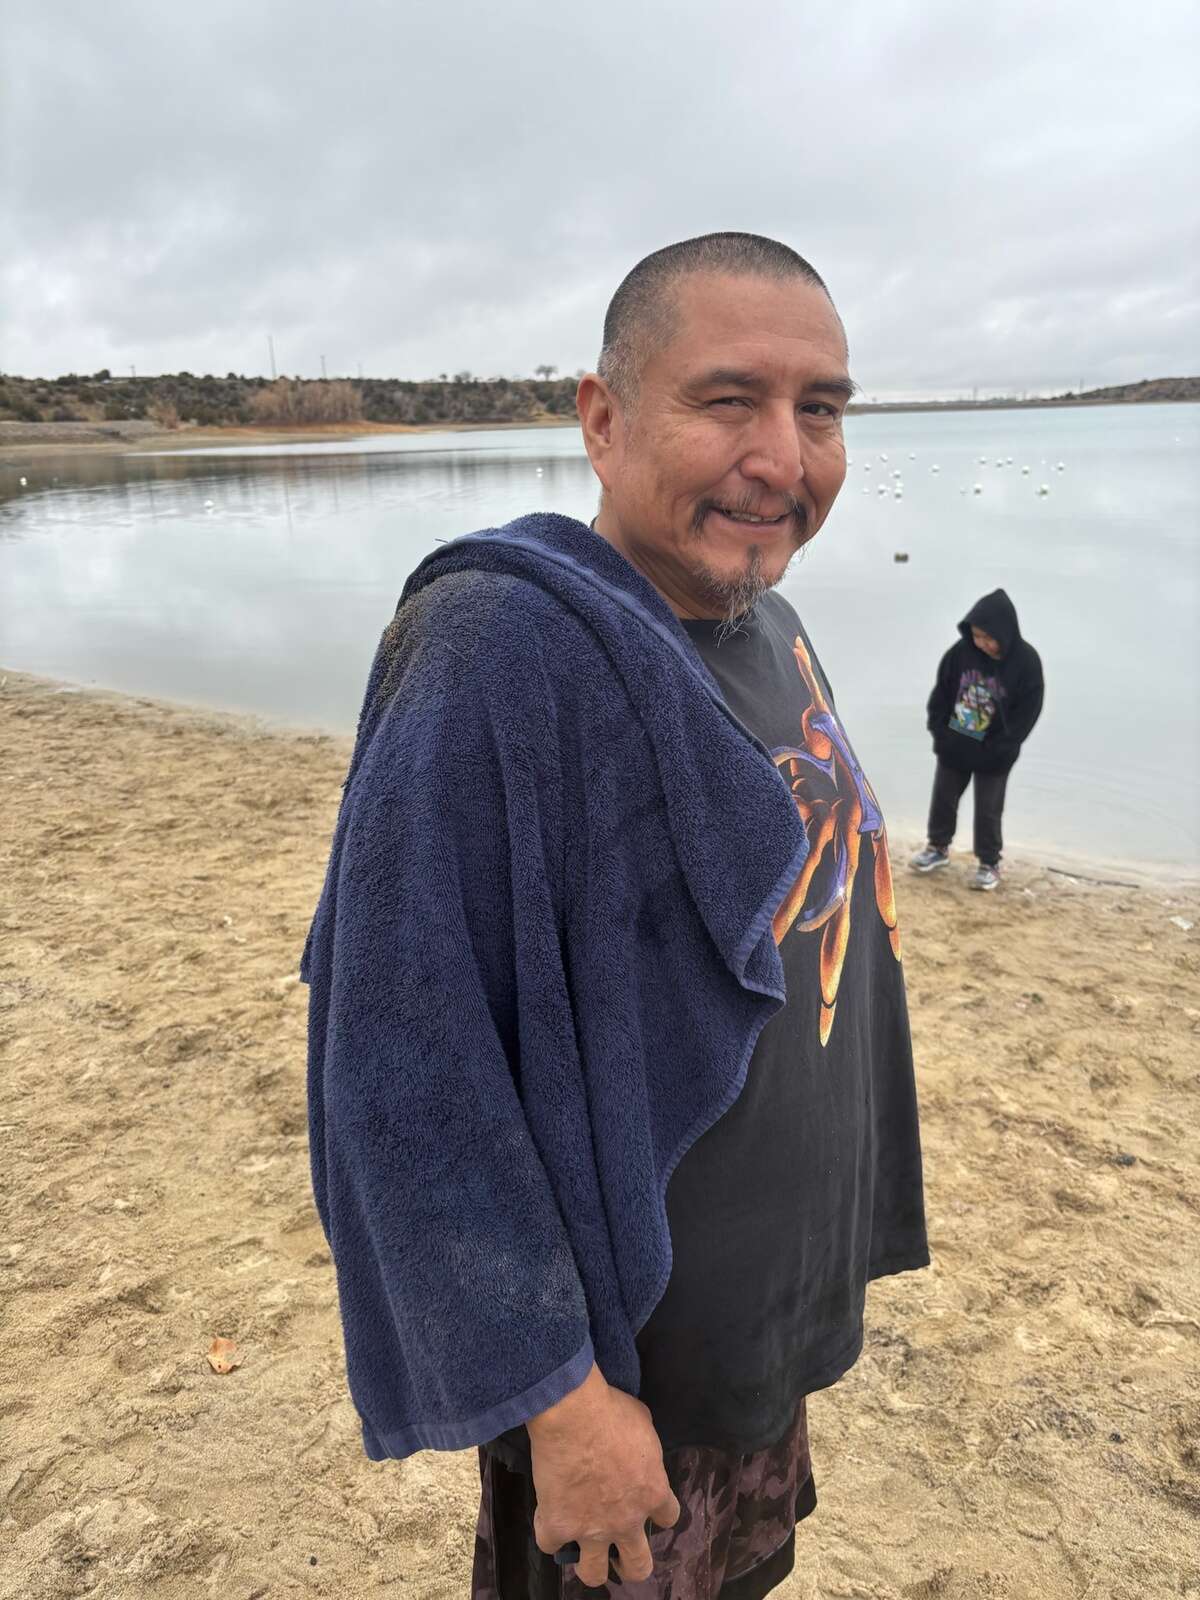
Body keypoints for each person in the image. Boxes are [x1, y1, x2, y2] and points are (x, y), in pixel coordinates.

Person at [303, 232, 928, 1600]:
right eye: (728, 400)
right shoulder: (501, 648)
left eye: (821, 408)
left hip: (753, 1353)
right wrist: (559, 1400)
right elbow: (400, 1067)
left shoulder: (767, 618)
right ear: (602, 418)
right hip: (625, 1384)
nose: (784, 456)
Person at [910, 590, 1044, 891]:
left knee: (988, 810)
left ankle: (989, 863)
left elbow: (1029, 711)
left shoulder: (1026, 662)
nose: (981, 643)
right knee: (943, 799)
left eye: (987, 637)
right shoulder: (960, 653)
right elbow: (941, 694)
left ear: (1004, 633)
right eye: (976, 636)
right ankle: (937, 848)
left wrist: (1004, 747)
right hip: (955, 744)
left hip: (996, 753)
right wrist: (940, 733)